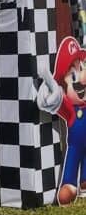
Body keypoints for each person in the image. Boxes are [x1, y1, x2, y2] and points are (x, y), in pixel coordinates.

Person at [37, 34, 86, 205]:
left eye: (82, 68)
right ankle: (70, 185)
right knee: (73, 159)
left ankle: (84, 183)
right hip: (75, 145)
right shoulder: (72, 109)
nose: (82, 79)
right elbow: (57, 100)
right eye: (74, 77)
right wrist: (50, 84)